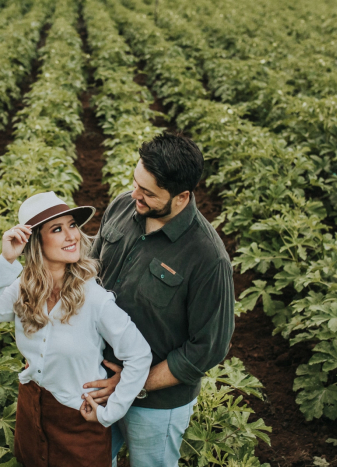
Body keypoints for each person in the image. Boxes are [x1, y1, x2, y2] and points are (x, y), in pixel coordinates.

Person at [0, 191, 152, 467]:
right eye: (57, 229)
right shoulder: (23, 290)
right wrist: (6, 262)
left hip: (78, 420)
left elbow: (139, 355)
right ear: (35, 241)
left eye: (73, 225)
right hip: (32, 407)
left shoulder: (94, 300)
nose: (72, 236)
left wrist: (109, 413)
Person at [84, 133, 236, 467]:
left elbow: (207, 348)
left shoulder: (207, 258)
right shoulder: (124, 205)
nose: (135, 195)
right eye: (136, 183)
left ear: (182, 197)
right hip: (96, 379)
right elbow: (90, 274)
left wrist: (130, 382)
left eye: (148, 193)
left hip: (156, 403)